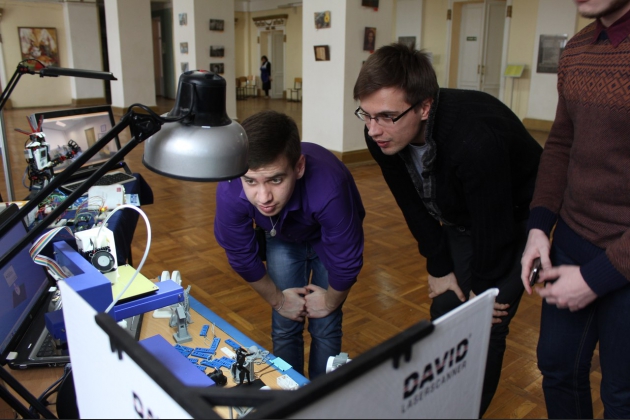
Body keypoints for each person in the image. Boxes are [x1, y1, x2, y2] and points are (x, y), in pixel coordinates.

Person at [353, 43, 542, 416]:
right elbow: (412, 204)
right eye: (367, 115)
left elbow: (494, 224)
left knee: (486, 324)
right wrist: (438, 266)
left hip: (518, 215)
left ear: (424, 107)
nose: (374, 130)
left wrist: (481, 293)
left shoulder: (473, 139)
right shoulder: (380, 136)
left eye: (387, 116)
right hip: (463, 215)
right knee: (445, 307)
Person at [520, 1, 630, 418]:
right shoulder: (577, 49)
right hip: (571, 240)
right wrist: (538, 228)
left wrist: (596, 278)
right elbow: (561, 144)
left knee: (621, 395)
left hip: (624, 254)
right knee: (557, 369)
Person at [214, 110, 365, 379]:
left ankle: (322, 395)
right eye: (251, 181)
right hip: (280, 235)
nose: (264, 197)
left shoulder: (330, 187)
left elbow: (346, 261)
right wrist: (278, 300)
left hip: (326, 237)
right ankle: (289, 390)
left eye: (276, 180)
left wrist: (329, 302)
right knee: (285, 322)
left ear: (299, 167)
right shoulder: (230, 186)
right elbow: (241, 256)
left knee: (326, 325)